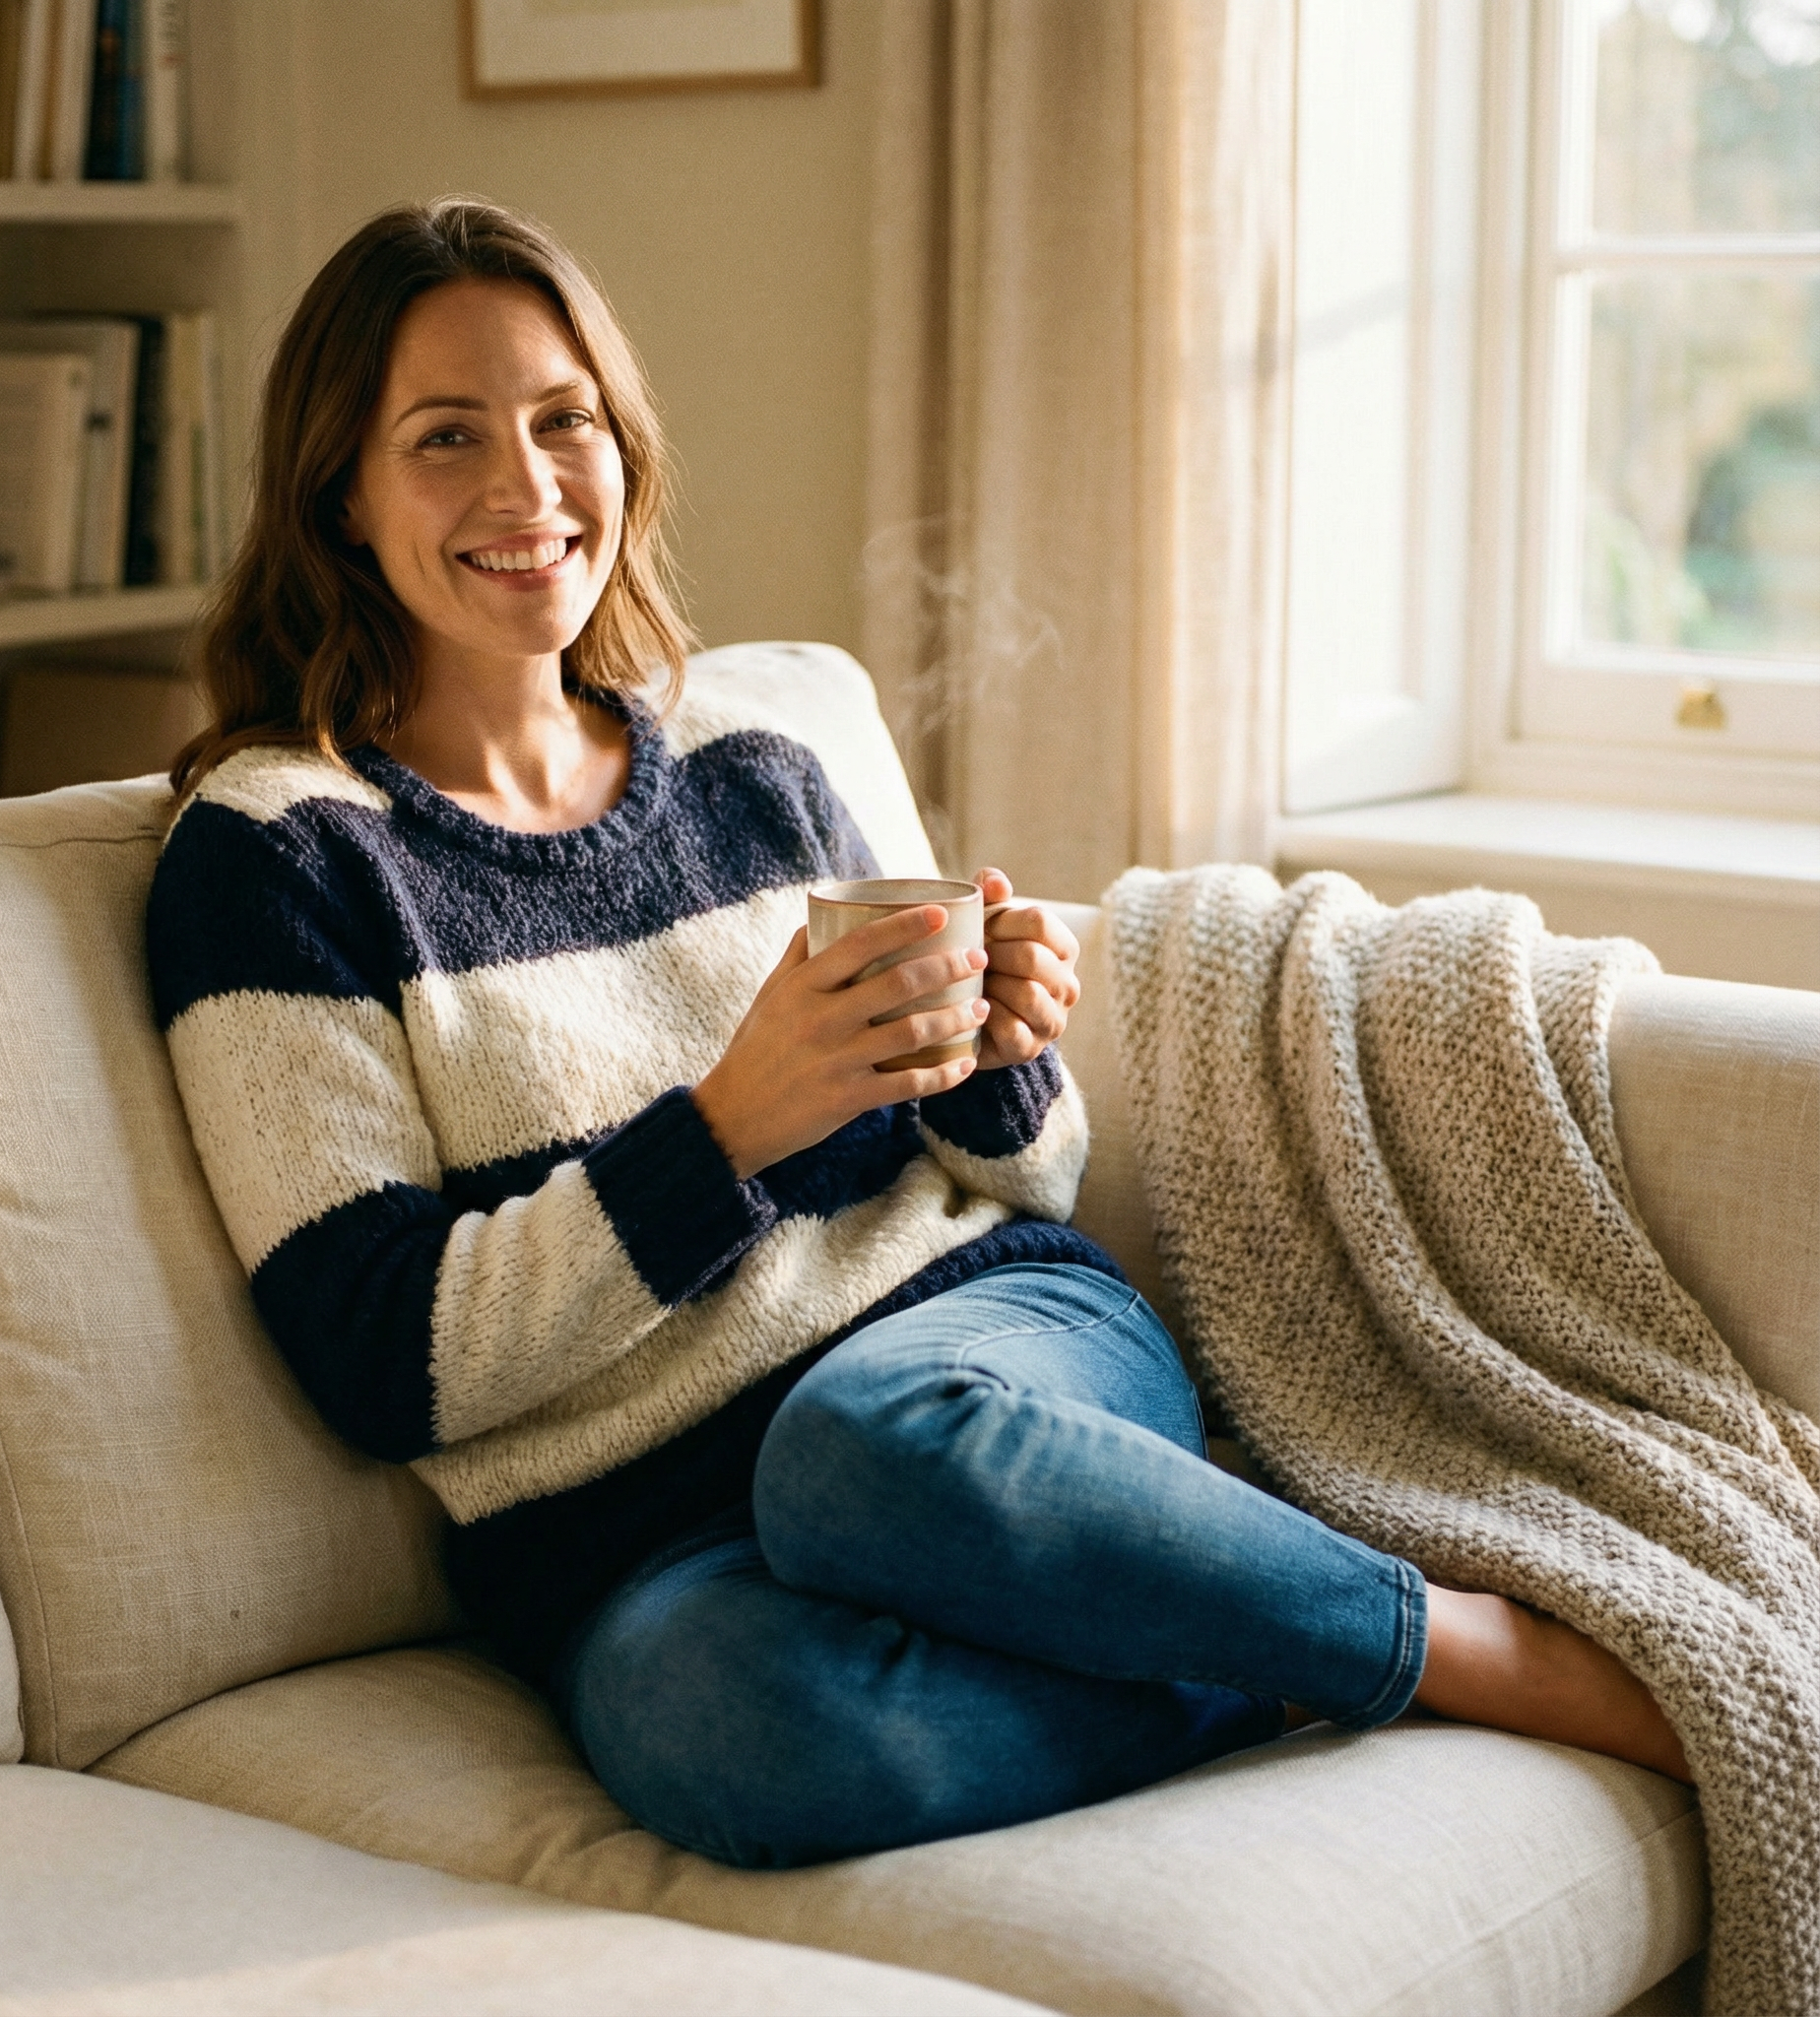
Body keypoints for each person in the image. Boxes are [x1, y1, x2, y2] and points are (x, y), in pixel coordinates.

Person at [147, 197, 1687, 1872]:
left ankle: (1453, 1647)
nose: (526, 489)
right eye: (445, 438)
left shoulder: (753, 771)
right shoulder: (276, 858)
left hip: (973, 1369)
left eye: (563, 419)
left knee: (858, 1448)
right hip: (647, 1540)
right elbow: (380, 1363)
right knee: (721, 1733)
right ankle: (1242, 1653)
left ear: (621, 446)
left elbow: (1020, 1186)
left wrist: (1006, 1055)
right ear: (341, 498)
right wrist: (724, 1132)